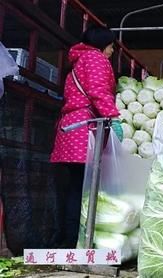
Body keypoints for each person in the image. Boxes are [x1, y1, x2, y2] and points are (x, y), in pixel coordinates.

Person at [50, 26, 123, 248]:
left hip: (72, 129)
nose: (111, 51)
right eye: (111, 46)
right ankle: (75, 241)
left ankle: (70, 239)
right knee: (82, 188)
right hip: (84, 130)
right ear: (102, 43)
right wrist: (114, 117)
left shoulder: (80, 61)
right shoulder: (95, 59)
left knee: (76, 186)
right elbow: (98, 91)